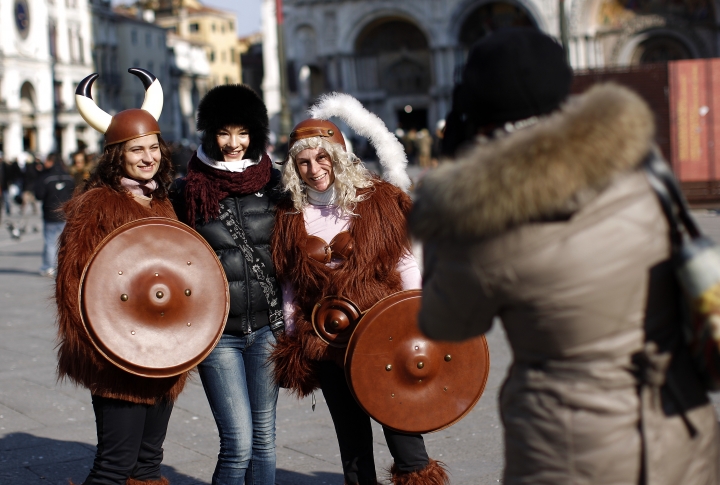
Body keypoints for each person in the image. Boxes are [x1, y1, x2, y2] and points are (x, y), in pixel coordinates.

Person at [409, 28, 720, 484]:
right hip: (681, 423)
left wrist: (448, 199)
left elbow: (446, 324)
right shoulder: (640, 162)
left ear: (478, 111)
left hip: (567, 449)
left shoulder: (480, 220)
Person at [270, 93, 449, 485]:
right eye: (303, 162)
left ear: (339, 156)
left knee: (404, 436)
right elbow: (290, 283)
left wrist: (413, 315)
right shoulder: (289, 215)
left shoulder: (377, 199)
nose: (315, 169)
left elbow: (406, 263)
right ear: (293, 168)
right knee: (352, 444)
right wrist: (293, 333)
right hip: (326, 337)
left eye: (322, 158)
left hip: (383, 331)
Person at [56, 68, 185, 485]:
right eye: (136, 151)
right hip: (118, 361)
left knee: (147, 463)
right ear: (117, 157)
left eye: (153, 148)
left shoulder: (162, 203)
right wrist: (110, 349)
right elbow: (72, 288)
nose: (149, 158)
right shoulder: (95, 206)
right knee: (114, 465)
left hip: (164, 356)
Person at [170, 84, 284, 485]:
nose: (234, 144)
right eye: (224, 133)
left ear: (256, 132)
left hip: (268, 329)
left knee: (265, 441)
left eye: (242, 132)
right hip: (218, 334)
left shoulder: (275, 183)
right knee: (238, 445)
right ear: (209, 133)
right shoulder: (188, 189)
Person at [34, 152, 74, 277]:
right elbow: (74, 194)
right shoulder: (69, 178)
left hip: (50, 214)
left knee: (50, 242)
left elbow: (39, 195)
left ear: (51, 161)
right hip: (65, 214)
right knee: (65, 243)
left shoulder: (46, 178)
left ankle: (48, 267)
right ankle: (66, 267)